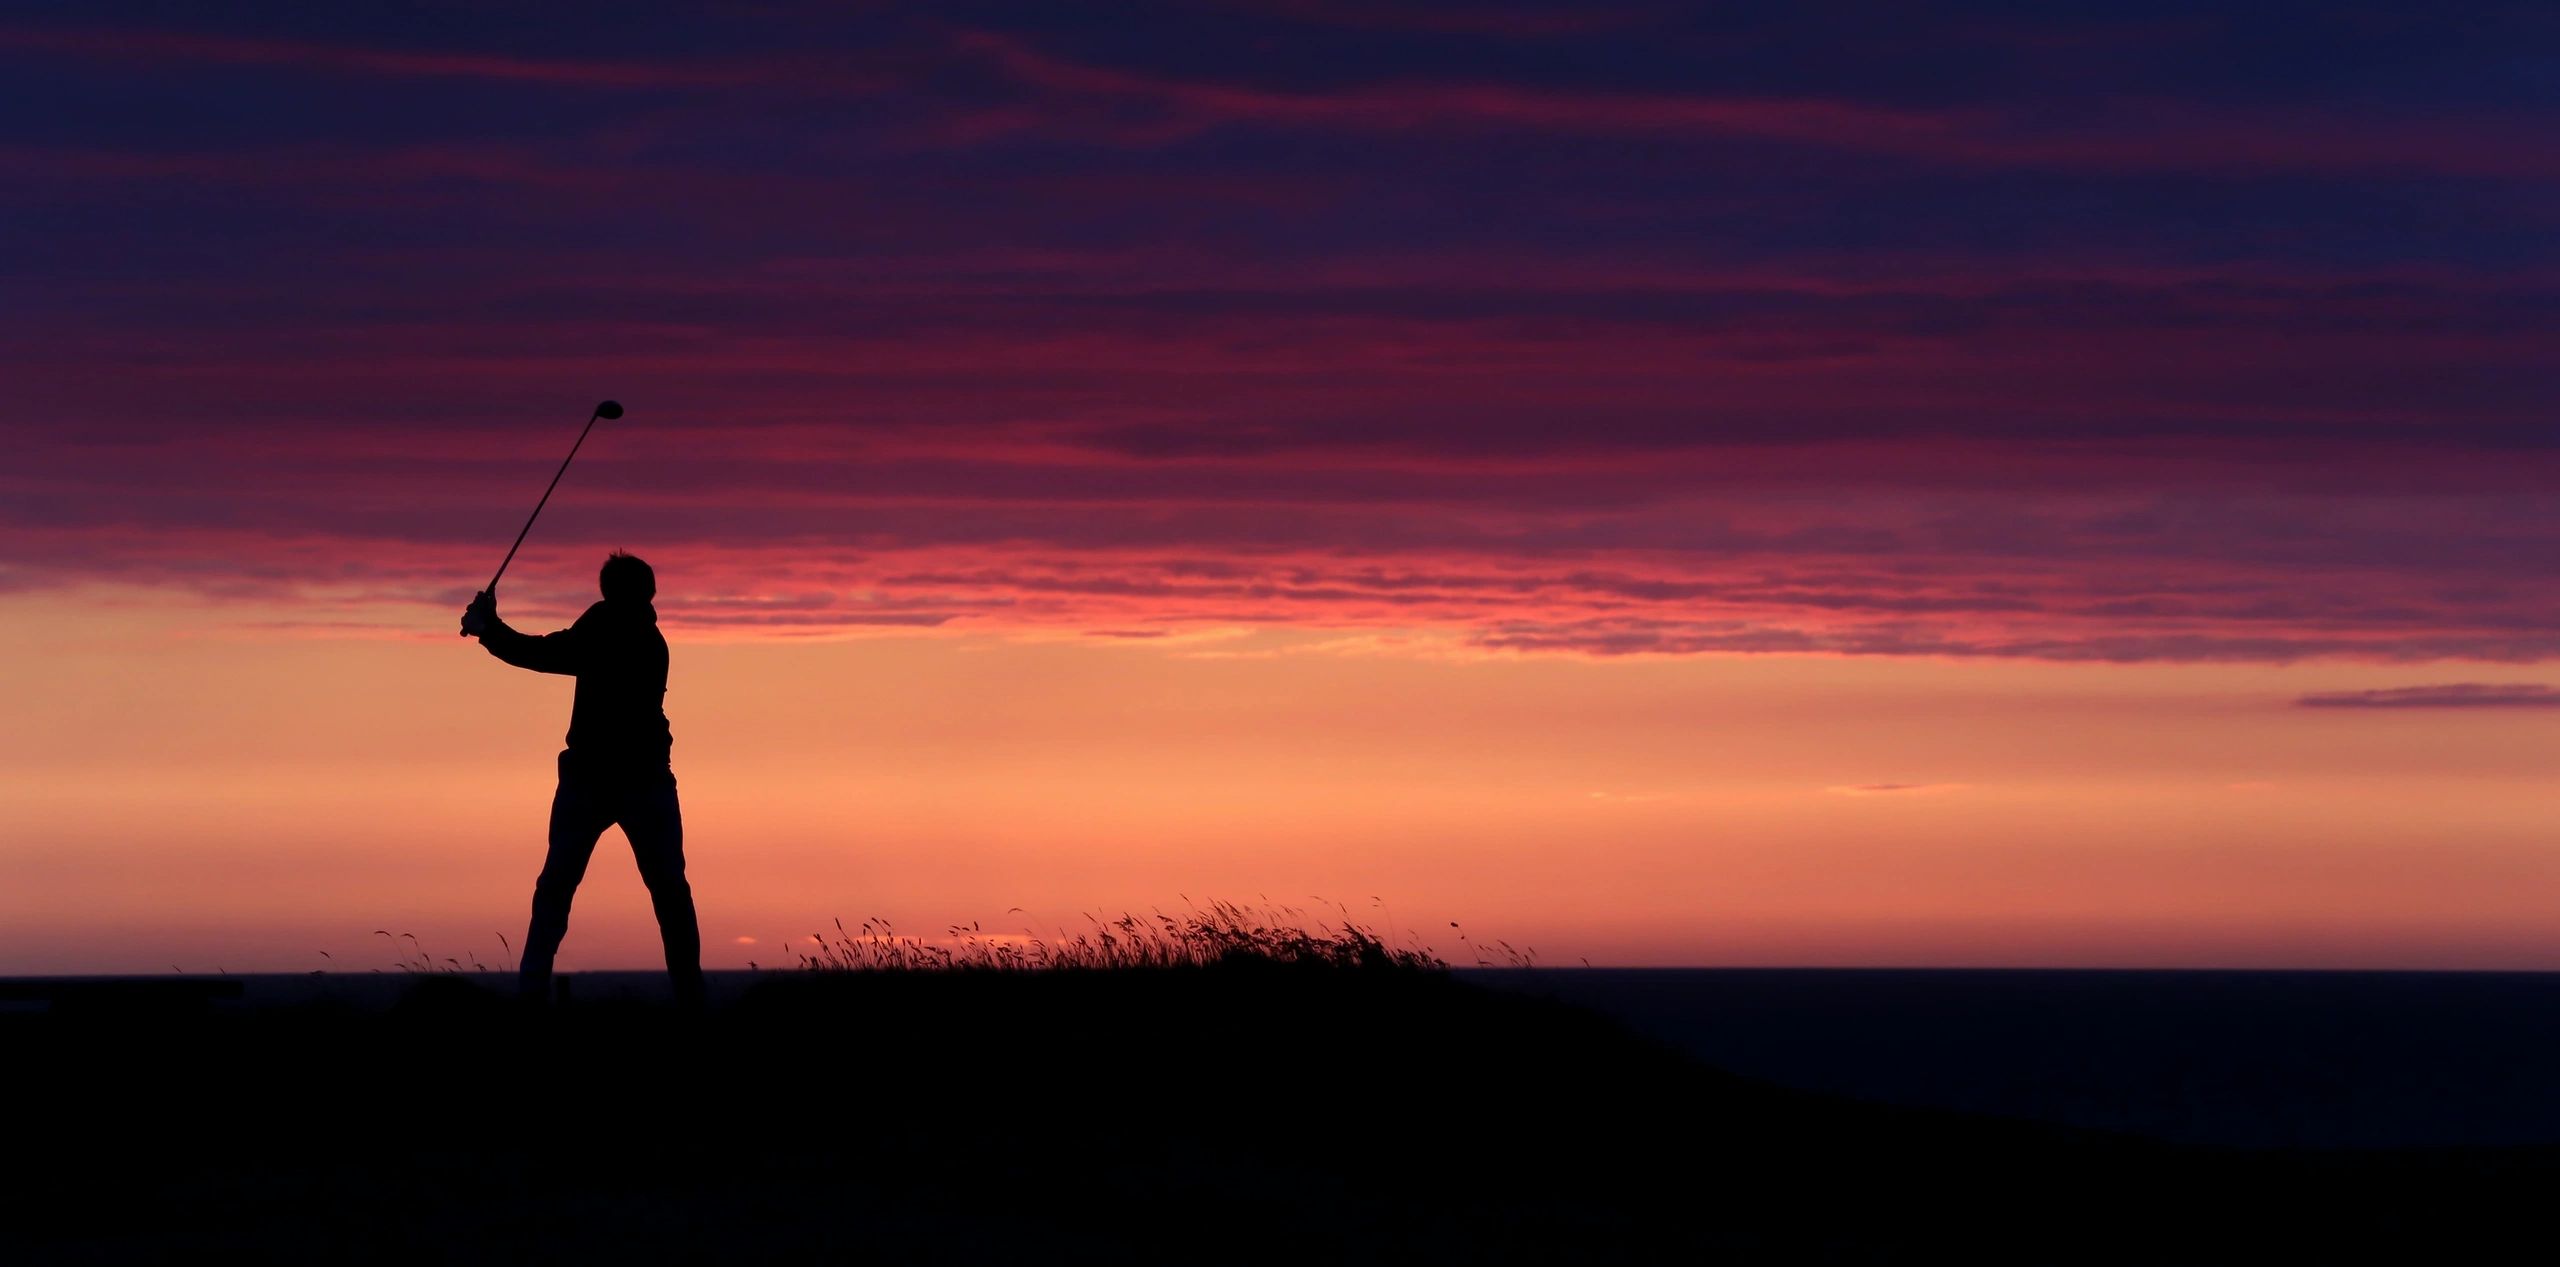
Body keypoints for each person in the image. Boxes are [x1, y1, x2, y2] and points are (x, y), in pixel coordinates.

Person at [460, 551, 702, 1009]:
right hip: (643, 779)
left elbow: (544, 653)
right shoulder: (645, 635)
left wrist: (489, 628)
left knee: (557, 888)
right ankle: (691, 1000)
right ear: (648, 591)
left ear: (609, 591)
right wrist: (489, 628)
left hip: (596, 779)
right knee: (669, 891)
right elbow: (551, 652)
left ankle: (531, 996)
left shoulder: (608, 629)